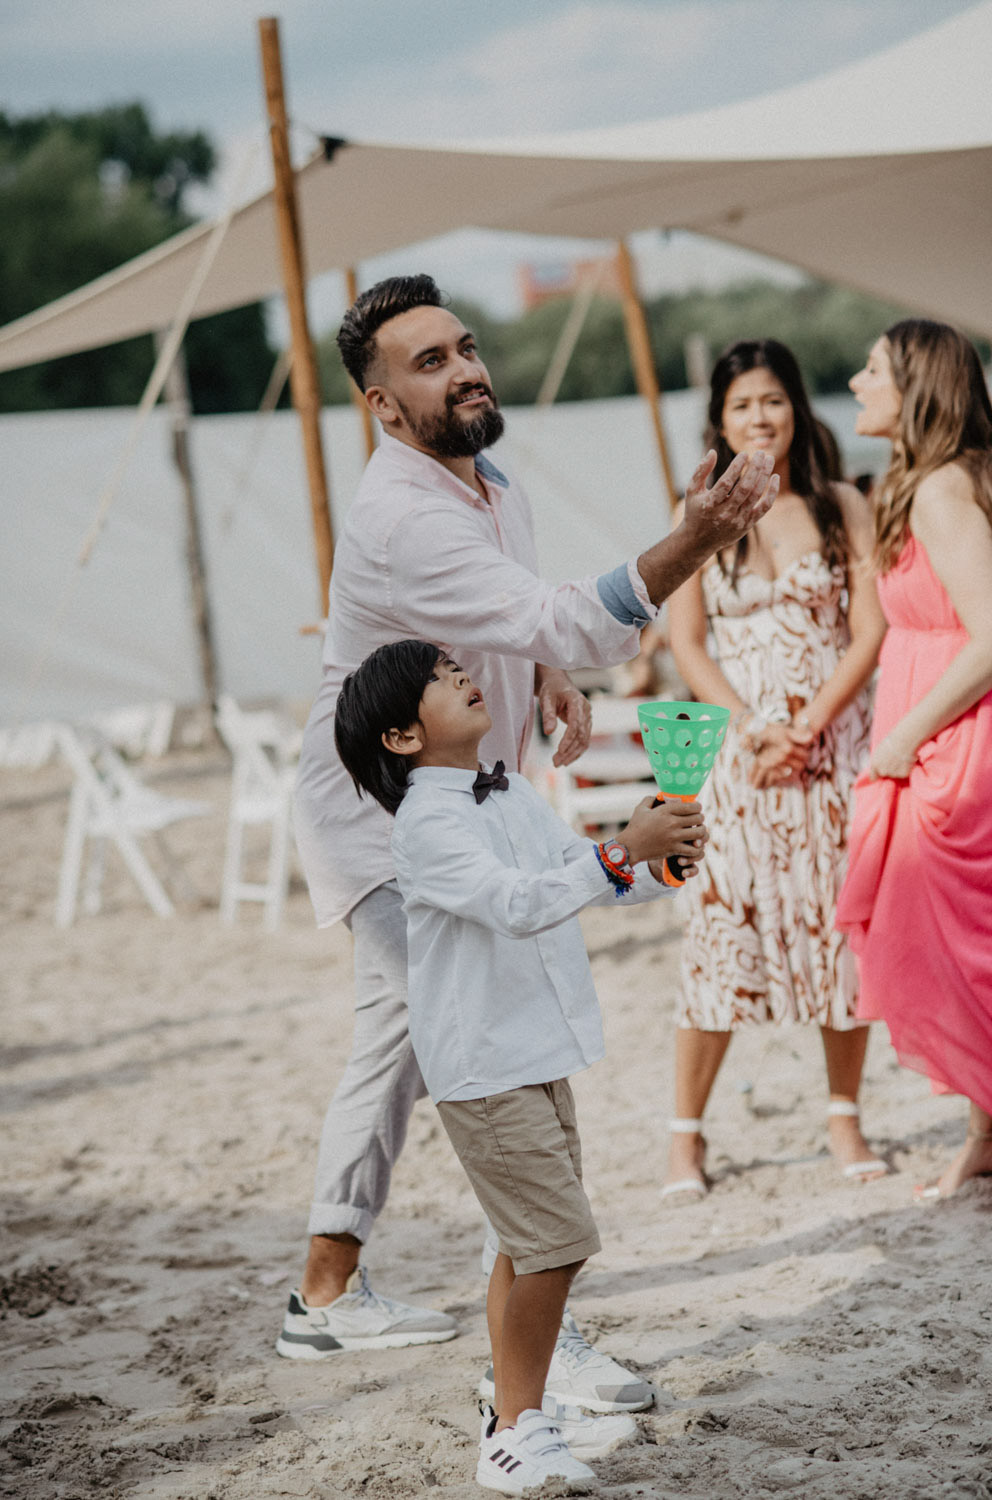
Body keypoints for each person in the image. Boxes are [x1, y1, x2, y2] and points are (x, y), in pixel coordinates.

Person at [278, 274, 778, 1385]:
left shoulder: (488, 475)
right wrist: (689, 537)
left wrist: (544, 674)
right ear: (381, 406)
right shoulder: (398, 514)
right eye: (426, 362)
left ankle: (500, 1306)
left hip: (480, 785)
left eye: (463, 347)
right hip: (383, 799)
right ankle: (339, 1291)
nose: (463, 369)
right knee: (430, 1030)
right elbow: (556, 608)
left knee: (467, 1030)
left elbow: (516, 606)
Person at [332, 640, 706, 1491]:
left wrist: (661, 859)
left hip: (536, 1048)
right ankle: (513, 1431)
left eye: (455, 668)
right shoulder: (428, 822)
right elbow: (513, 902)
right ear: (401, 738)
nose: (462, 677)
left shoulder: (508, 789)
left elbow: (578, 872)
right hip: (485, 1065)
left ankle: (515, 1408)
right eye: (437, 678)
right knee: (555, 1245)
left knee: (525, 1242)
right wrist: (621, 852)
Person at [661, 338, 888, 1199]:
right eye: (742, 404)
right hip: (739, 757)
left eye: (773, 400)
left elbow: (870, 631)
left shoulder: (840, 506)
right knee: (720, 940)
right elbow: (686, 642)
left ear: (797, 407)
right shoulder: (697, 515)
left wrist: (811, 726)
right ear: (718, 420)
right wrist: (756, 728)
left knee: (841, 940)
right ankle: (684, 1138)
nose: (760, 417)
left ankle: (845, 1116)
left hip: (833, 755)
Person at [836, 319, 992, 1200]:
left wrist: (900, 740)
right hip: (936, 735)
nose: (858, 382)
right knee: (953, 944)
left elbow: (991, 634)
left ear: (917, 388)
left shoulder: (940, 490)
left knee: (964, 949)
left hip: (954, 745)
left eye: (872, 369)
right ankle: (983, 1133)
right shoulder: (925, 482)